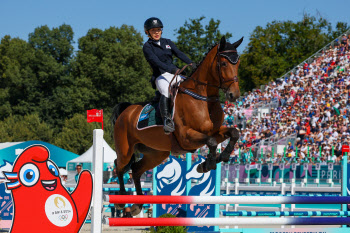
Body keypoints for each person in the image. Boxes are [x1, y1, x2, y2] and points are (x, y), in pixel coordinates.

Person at [143, 17, 196, 134]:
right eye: (153, 30)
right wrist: (172, 69)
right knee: (167, 90)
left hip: (174, 73)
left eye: (158, 30)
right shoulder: (147, 47)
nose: (156, 32)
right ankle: (167, 120)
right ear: (148, 33)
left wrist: (191, 63)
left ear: (161, 30)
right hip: (160, 76)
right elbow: (155, 62)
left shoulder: (168, 42)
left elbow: (179, 53)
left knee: (190, 85)